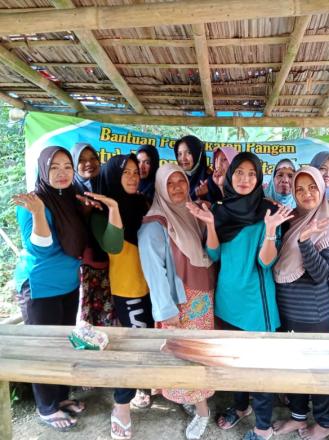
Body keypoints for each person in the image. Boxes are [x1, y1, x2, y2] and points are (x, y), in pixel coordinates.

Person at [188, 152, 293, 440]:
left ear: (259, 178)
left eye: (251, 173)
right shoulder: (221, 209)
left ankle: (263, 427)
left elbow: (266, 262)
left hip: (256, 304)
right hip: (227, 300)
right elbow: (214, 254)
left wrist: (270, 231)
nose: (244, 179)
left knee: (258, 369)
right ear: (230, 175)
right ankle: (240, 406)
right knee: (233, 362)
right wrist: (211, 224)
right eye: (239, 172)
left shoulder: (269, 210)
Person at [138, 163, 216, 440]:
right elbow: (154, 272)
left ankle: (196, 401)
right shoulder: (154, 225)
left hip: (202, 298)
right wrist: (166, 311)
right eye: (169, 184)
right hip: (181, 304)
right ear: (160, 188)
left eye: (180, 181)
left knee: (199, 355)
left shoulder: (191, 212)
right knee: (188, 357)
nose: (176, 188)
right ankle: (202, 410)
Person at [13, 146, 88, 431]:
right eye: (54, 167)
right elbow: (41, 248)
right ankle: (46, 407)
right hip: (40, 286)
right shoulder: (32, 202)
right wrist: (39, 214)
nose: (62, 173)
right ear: (43, 169)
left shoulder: (70, 197)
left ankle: (60, 396)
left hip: (68, 283)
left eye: (67, 166)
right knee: (42, 347)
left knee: (63, 342)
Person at [272, 166, 329, 440]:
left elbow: (322, 275)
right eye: (300, 189)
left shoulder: (328, 226)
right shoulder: (294, 220)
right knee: (294, 369)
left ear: (322, 189)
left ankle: (326, 423)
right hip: (289, 312)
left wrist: (305, 242)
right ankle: (298, 416)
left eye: (312, 187)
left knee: (318, 371)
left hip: (313, 315)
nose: (306, 194)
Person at [87, 154, 151, 440]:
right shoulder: (99, 212)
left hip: (152, 287)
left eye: (136, 172)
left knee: (148, 343)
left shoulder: (143, 203)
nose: (133, 177)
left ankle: (143, 387)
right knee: (133, 348)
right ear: (114, 175)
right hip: (128, 289)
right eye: (126, 172)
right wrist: (113, 206)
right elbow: (113, 245)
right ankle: (121, 407)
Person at [71, 142, 116, 327]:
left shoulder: (108, 185)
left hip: (114, 259)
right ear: (74, 164)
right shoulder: (70, 191)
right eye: (82, 160)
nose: (88, 163)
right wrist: (84, 211)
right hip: (86, 262)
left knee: (112, 314)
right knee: (88, 315)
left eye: (92, 158)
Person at [174, 135, 211, 200]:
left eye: (189, 152)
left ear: (198, 154)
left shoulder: (211, 179)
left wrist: (205, 197)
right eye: (179, 154)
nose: (183, 158)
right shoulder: (174, 178)